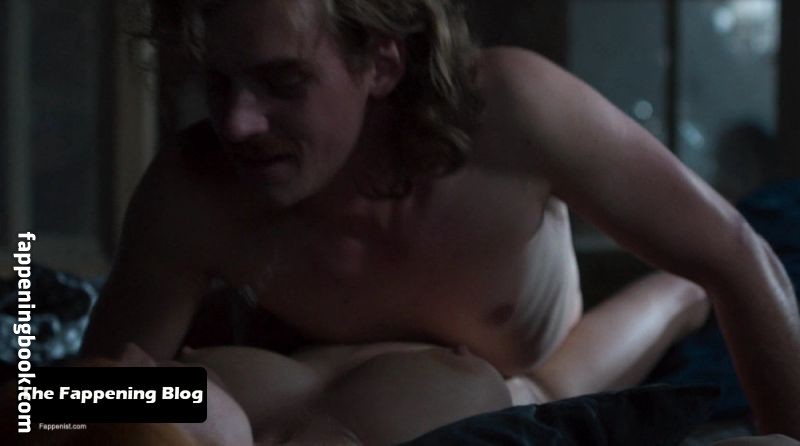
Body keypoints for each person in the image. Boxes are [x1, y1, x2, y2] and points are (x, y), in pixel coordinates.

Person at [81, 0, 800, 438]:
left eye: (282, 82)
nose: (237, 124)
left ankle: (676, 297)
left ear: (382, 64)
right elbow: (68, 401)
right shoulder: (193, 187)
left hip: (536, 368)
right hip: (318, 382)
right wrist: (176, 403)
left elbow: (738, 257)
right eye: (218, 83)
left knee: (677, 291)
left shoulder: (513, 111)